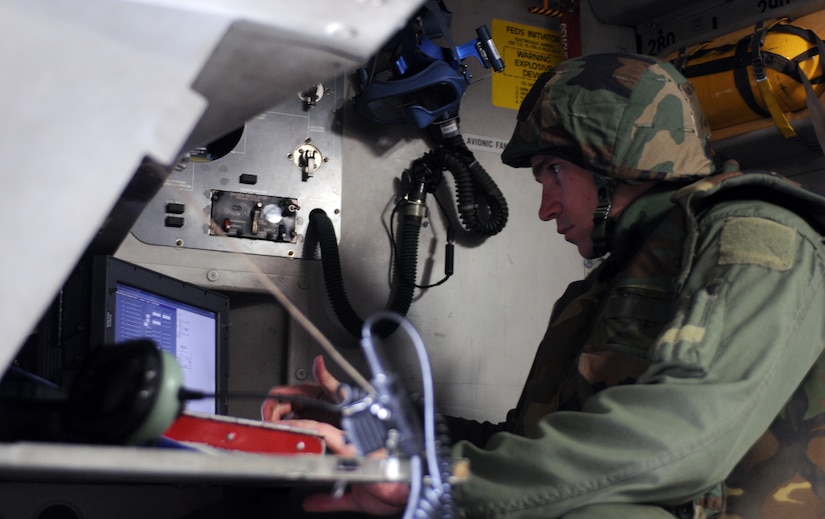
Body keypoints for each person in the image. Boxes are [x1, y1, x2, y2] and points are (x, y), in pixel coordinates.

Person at [262, 53, 825, 518]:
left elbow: (689, 437)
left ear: (617, 160)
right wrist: (384, 434)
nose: (545, 207)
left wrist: (438, 485)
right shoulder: (607, 284)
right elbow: (533, 443)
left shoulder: (757, 235)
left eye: (554, 172)